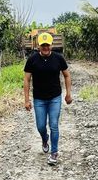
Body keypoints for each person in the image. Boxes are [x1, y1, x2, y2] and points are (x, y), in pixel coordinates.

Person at [23, 32, 72, 165]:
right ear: (38, 46)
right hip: (39, 99)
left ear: (51, 45)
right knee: (40, 126)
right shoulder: (32, 59)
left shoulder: (58, 58)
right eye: (43, 45)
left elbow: (67, 75)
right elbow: (27, 80)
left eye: (47, 45)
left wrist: (68, 93)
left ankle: (54, 152)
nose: (45, 47)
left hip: (55, 98)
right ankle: (45, 139)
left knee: (54, 125)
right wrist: (27, 100)